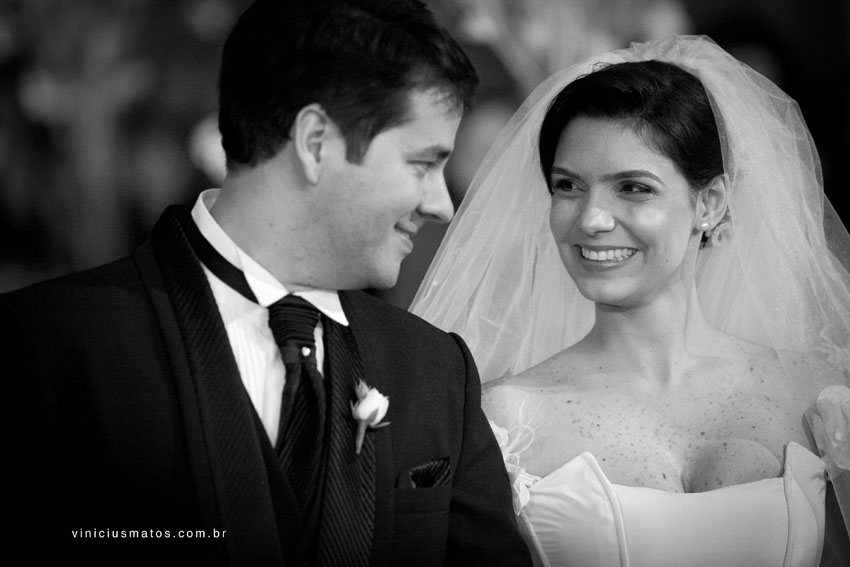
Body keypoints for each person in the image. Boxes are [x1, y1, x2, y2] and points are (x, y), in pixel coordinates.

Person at [2, 1, 532, 566]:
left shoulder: (435, 371)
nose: (442, 205)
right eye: (422, 164)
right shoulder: (42, 347)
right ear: (315, 142)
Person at [411, 35, 850, 566]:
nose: (592, 219)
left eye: (633, 188)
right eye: (568, 186)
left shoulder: (814, 398)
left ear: (710, 202)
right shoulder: (506, 417)